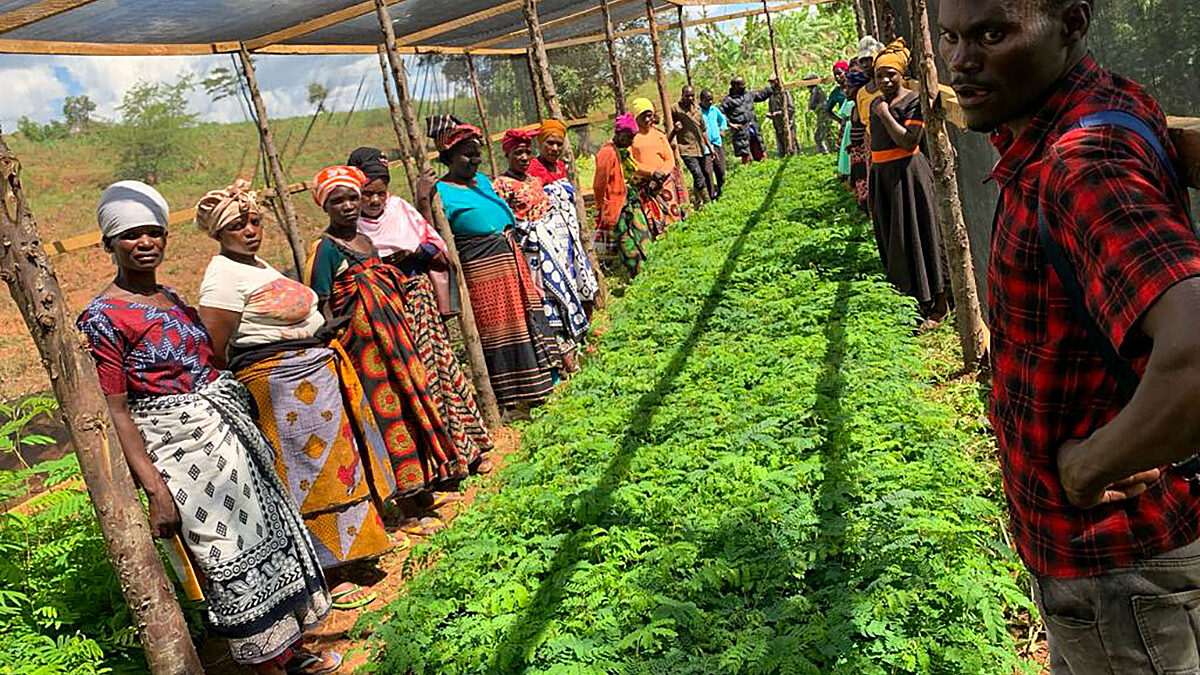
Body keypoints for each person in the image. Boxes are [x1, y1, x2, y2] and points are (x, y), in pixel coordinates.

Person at [940, 1, 1200, 671]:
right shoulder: (1096, 104)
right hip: (1097, 573)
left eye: (993, 33)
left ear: (1073, 23)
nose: (961, 60)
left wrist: (1089, 466)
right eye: (951, 36)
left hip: (1123, 575)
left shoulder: (1081, 165)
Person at [78, 181, 337, 675]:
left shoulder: (170, 297)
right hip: (179, 451)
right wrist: (154, 488)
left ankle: (288, 650)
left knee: (267, 541)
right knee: (228, 553)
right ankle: (267, 664)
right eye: (132, 236)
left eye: (154, 233)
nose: (146, 243)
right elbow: (115, 409)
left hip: (225, 435)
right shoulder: (101, 318)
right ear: (109, 244)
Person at [195, 180, 396, 609]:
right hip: (277, 386)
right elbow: (214, 347)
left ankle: (357, 552)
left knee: (339, 464)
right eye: (237, 226)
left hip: (312, 374)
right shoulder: (222, 277)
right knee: (305, 474)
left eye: (253, 222)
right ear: (218, 233)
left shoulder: (259, 266)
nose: (250, 231)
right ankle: (326, 569)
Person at [303, 165, 468, 536]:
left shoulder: (365, 241)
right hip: (364, 351)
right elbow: (323, 304)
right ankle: (406, 508)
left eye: (352, 197)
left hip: (393, 338)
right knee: (385, 417)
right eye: (337, 200)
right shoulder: (326, 249)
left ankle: (423, 490)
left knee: (411, 405)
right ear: (324, 206)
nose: (347, 206)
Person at [346, 146, 494, 475]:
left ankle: (469, 449)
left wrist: (412, 250)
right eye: (366, 193)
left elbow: (432, 244)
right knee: (412, 383)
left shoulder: (400, 209)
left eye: (379, 193)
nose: (374, 201)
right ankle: (438, 465)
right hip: (384, 310)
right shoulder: (351, 227)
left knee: (438, 370)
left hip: (417, 299)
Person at [429, 119, 557, 411]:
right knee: (500, 327)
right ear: (448, 158)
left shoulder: (484, 181)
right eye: (466, 154)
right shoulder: (441, 192)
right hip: (483, 268)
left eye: (476, 153)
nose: (474, 159)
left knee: (526, 317)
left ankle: (539, 383)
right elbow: (435, 234)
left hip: (509, 258)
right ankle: (511, 395)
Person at [493, 129, 595, 374]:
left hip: (557, 254)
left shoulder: (534, 181)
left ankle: (575, 347)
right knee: (546, 303)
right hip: (532, 258)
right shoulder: (501, 185)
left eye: (527, 152)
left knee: (564, 298)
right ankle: (560, 357)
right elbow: (505, 223)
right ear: (507, 154)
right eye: (518, 153)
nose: (525, 157)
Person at [868, 39, 949, 323]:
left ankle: (936, 303)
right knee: (895, 240)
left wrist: (883, 113)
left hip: (908, 177)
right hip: (884, 179)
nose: (886, 80)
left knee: (919, 234)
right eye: (880, 75)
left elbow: (908, 140)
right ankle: (908, 302)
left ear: (902, 74)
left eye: (891, 74)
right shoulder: (877, 102)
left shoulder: (913, 101)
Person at [593, 114, 652, 277]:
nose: (631, 142)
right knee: (626, 242)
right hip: (616, 205)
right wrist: (601, 207)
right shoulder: (607, 153)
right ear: (620, 134)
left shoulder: (621, 151)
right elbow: (599, 184)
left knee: (642, 234)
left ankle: (650, 265)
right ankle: (638, 274)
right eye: (629, 137)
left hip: (629, 198)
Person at [630, 97, 686, 236]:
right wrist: (651, 173)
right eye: (644, 116)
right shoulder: (632, 139)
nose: (648, 119)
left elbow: (669, 158)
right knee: (651, 218)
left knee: (671, 216)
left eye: (650, 115)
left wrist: (660, 175)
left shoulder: (659, 135)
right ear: (636, 118)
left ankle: (676, 239)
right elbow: (631, 162)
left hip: (664, 182)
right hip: (645, 184)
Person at [670, 85, 714, 205]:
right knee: (698, 174)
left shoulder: (697, 111)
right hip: (686, 148)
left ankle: (697, 200)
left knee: (701, 175)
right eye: (687, 95)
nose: (690, 98)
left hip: (700, 147)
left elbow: (703, 130)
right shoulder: (675, 109)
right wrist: (675, 129)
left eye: (692, 96)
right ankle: (708, 202)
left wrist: (710, 147)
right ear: (682, 95)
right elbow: (668, 125)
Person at [720, 76, 772, 163]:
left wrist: (771, 89)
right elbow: (720, 114)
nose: (744, 87)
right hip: (741, 130)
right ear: (735, 86)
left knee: (760, 148)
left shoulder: (748, 94)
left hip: (753, 126)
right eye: (741, 85)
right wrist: (730, 124)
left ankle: (764, 167)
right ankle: (746, 170)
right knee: (744, 151)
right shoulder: (728, 100)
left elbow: (760, 96)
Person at [699, 89, 729, 200]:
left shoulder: (714, 110)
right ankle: (712, 196)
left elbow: (723, 120)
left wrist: (722, 130)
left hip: (717, 144)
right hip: (705, 147)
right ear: (701, 100)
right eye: (707, 100)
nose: (710, 102)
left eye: (711, 99)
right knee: (708, 172)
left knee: (720, 169)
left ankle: (722, 192)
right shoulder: (697, 112)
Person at [836, 67, 858, 184]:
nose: (845, 91)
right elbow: (844, 116)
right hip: (849, 130)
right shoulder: (849, 101)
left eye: (849, 88)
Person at [767, 77, 797, 157]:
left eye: (773, 82)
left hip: (787, 123)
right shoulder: (772, 94)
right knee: (781, 145)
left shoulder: (784, 93)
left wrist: (777, 113)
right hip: (778, 124)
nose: (771, 84)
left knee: (791, 143)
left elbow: (791, 109)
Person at [806, 74, 830, 155]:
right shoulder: (817, 90)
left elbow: (812, 105)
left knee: (819, 136)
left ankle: (825, 153)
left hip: (823, 115)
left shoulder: (815, 90)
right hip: (822, 115)